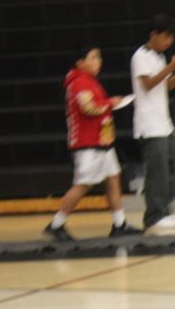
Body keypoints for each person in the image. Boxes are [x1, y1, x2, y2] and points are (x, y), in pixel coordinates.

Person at [44, 47, 143, 241]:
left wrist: (108, 104)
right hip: (87, 143)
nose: (99, 61)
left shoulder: (89, 81)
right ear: (80, 63)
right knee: (82, 184)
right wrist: (111, 103)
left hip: (101, 142)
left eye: (99, 57)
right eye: (93, 57)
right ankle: (56, 224)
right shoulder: (79, 82)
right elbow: (88, 108)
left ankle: (119, 223)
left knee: (113, 178)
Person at [131, 15, 175, 231]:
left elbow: (167, 86)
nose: (169, 42)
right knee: (157, 169)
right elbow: (148, 84)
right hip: (149, 124)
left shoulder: (159, 58)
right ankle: (153, 215)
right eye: (166, 37)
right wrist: (171, 66)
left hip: (164, 123)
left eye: (171, 38)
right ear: (154, 34)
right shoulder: (140, 56)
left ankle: (163, 208)